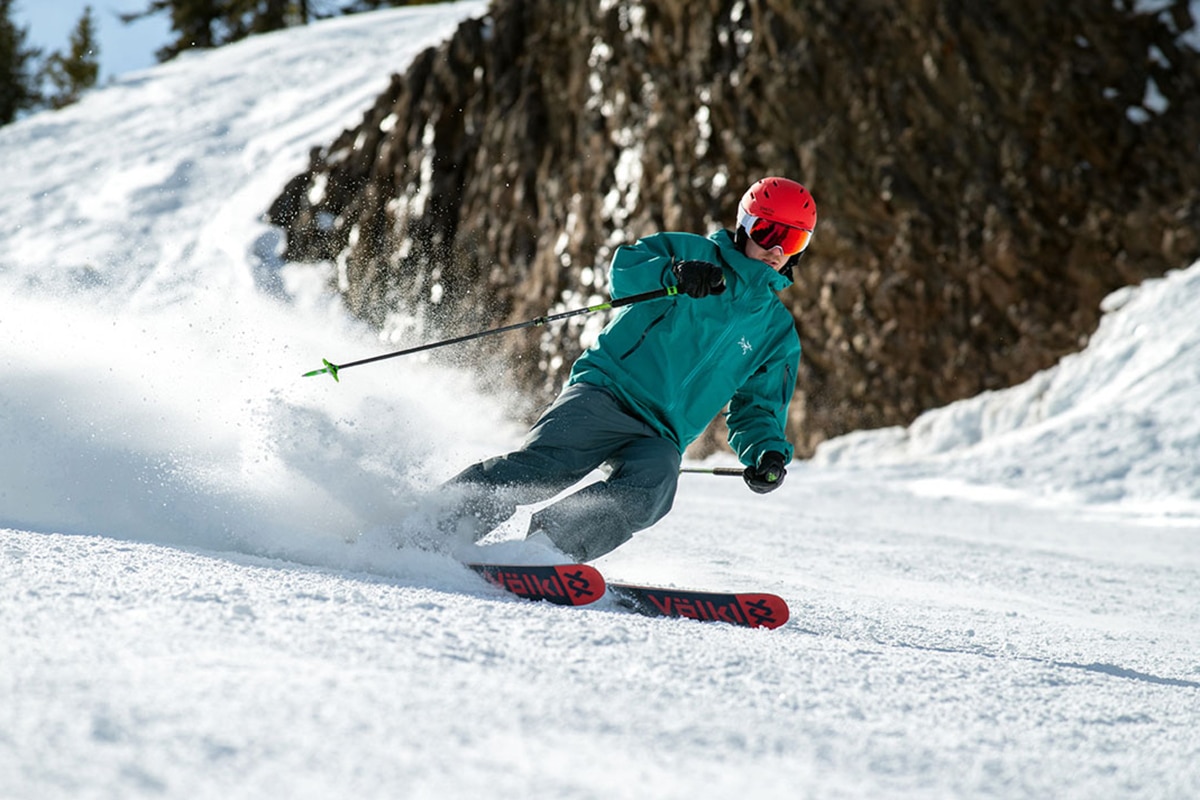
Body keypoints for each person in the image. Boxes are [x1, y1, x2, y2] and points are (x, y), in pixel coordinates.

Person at [440, 176, 816, 562]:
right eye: (767, 230)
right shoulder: (692, 252)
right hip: (608, 392)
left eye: (792, 240)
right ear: (744, 226)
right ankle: (435, 526)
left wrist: (767, 452)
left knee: (653, 488)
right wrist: (675, 273)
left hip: (662, 433)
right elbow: (625, 271)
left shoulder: (776, 331)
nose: (775, 248)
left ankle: (546, 551)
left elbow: (759, 407)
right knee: (544, 469)